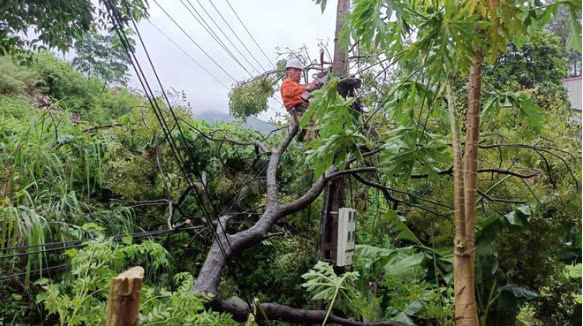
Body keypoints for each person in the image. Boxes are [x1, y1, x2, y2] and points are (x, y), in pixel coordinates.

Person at [280, 58, 323, 141]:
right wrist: (308, 87)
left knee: (316, 136)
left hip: (306, 115)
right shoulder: (287, 83)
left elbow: (308, 88)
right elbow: (289, 91)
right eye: (296, 70)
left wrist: (317, 80)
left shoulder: (299, 86)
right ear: (288, 71)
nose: (299, 73)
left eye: (300, 71)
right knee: (311, 139)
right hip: (298, 116)